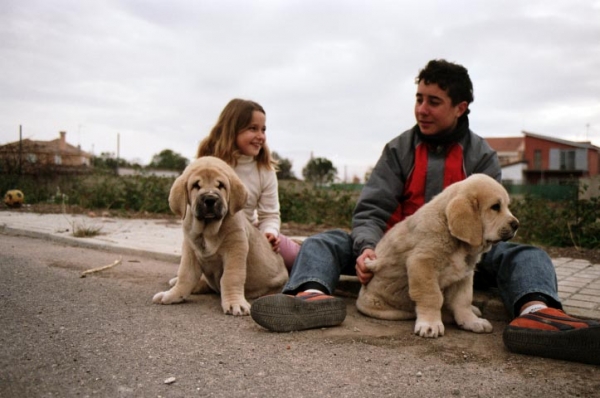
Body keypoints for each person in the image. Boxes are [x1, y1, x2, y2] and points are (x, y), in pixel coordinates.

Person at [250, 60, 600, 365]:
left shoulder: (481, 156)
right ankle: (310, 296)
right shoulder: (399, 149)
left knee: (529, 255)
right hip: (390, 256)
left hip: (464, 254)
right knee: (325, 241)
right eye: (419, 99)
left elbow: (489, 226)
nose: (422, 109)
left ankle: (538, 314)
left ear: (460, 107)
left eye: (434, 102)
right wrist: (367, 247)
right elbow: (371, 209)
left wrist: (472, 251)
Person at [197, 98, 300, 270]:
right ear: (232, 130)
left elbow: (270, 215)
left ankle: (314, 253)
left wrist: (270, 233)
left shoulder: (264, 169)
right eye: (253, 128)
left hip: (250, 234)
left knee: (297, 257)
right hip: (211, 236)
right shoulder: (209, 164)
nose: (261, 136)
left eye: (263, 129)